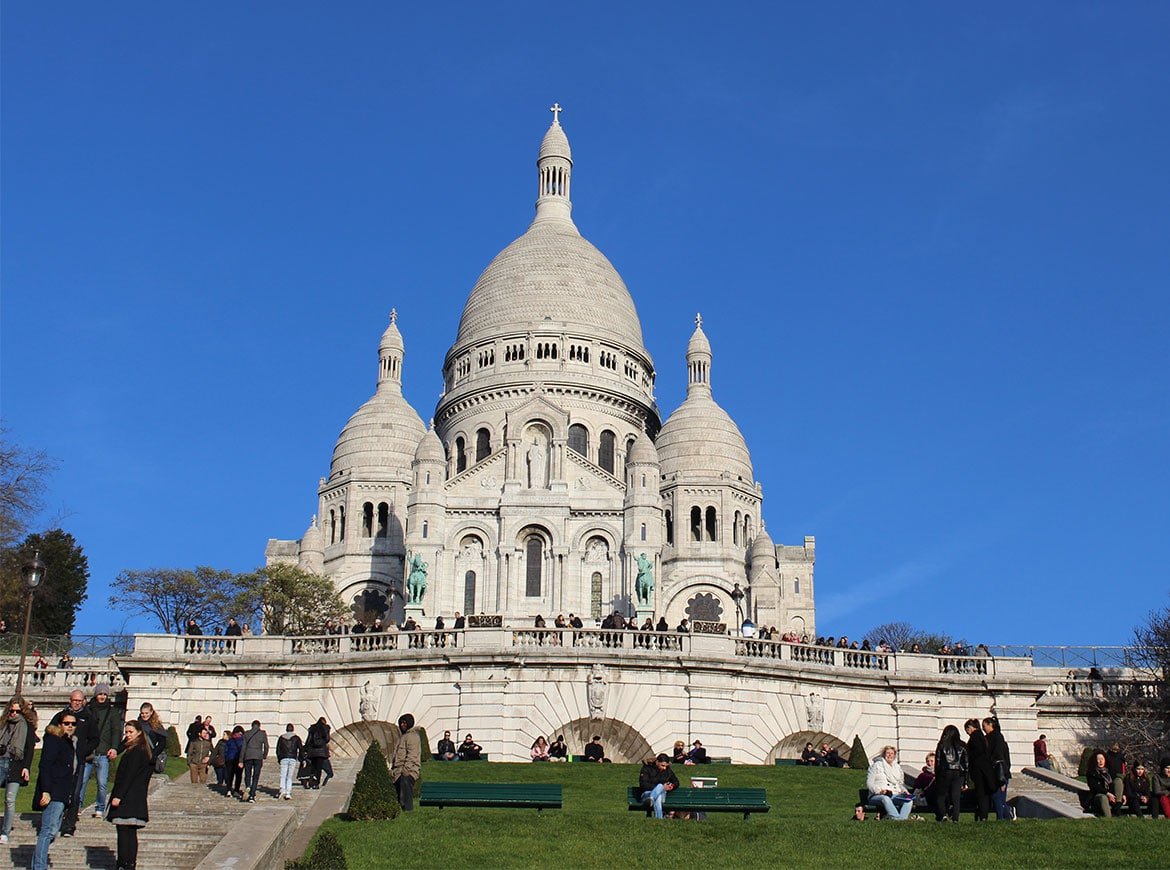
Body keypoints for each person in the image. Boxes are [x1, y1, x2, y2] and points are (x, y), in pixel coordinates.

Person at [33, 712, 82, 870]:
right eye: (66, 723)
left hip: (63, 793)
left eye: (73, 724)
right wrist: (46, 791)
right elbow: (45, 766)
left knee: (52, 831)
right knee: (47, 831)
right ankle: (39, 866)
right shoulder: (54, 740)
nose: (70, 726)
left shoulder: (68, 742)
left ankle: (38, 863)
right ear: (60, 724)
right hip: (53, 792)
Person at [49, 690, 95, 838]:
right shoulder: (59, 716)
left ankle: (69, 825)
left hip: (78, 760)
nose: (76, 703)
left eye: (79, 700)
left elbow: (95, 739)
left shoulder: (88, 718)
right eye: (74, 700)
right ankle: (54, 823)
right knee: (57, 791)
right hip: (61, 761)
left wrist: (82, 751)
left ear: (83, 701)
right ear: (70, 700)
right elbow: (49, 731)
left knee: (75, 793)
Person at [108, 719, 153, 870]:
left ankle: (125, 863)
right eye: (126, 732)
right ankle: (127, 863)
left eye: (130, 732)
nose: (127, 735)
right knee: (127, 831)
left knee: (124, 832)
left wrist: (118, 796)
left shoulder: (137, 751)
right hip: (134, 796)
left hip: (129, 797)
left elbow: (129, 775)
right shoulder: (138, 749)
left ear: (139, 733)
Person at [0, 697, 38, 846]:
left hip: (15, 763)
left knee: (10, 799)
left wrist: (26, 767)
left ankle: (5, 832)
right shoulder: (3, 724)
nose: (14, 714)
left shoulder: (26, 726)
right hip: (1, 760)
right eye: (12, 711)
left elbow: (29, 749)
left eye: (17, 711)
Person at [866, 745, 915, 820]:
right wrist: (880, 791)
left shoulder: (897, 768)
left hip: (894, 794)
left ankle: (901, 820)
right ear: (884, 754)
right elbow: (869, 783)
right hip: (878, 796)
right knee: (885, 798)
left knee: (908, 801)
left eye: (892, 753)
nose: (890, 755)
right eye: (888, 753)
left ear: (894, 755)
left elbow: (900, 784)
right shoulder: (876, 766)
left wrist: (904, 791)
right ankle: (895, 818)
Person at [933, 724, 968, 822]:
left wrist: (937, 775)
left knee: (941, 794)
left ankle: (943, 815)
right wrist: (965, 780)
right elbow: (966, 763)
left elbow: (938, 761)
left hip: (945, 771)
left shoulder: (942, 744)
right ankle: (955, 818)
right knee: (955, 796)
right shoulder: (962, 745)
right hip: (958, 772)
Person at [982, 717, 1012, 820]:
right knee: (999, 797)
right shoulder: (995, 738)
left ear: (991, 725)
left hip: (999, 772)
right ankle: (1007, 816)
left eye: (984, 726)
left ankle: (1002, 817)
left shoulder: (996, 737)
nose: (983, 728)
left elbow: (999, 756)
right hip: (999, 771)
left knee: (997, 797)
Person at [390, 713, 421, 812]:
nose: (402, 725)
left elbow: (412, 754)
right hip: (398, 770)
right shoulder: (404, 736)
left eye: (404, 723)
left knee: (405, 790)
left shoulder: (411, 736)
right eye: (401, 723)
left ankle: (408, 810)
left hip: (408, 771)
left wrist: (406, 770)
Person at [964, 718, 993, 821]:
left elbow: (976, 752)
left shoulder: (975, 737)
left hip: (979, 770)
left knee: (981, 793)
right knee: (983, 793)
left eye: (967, 730)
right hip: (983, 769)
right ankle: (983, 814)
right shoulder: (981, 736)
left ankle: (982, 814)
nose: (967, 733)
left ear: (970, 728)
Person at [638, 753, 680, 819]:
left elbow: (676, 782)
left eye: (666, 766)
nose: (664, 768)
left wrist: (671, 786)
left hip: (658, 796)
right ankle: (659, 819)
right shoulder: (647, 768)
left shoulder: (668, 770)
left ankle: (651, 800)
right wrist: (662, 787)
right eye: (662, 765)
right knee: (659, 792)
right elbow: (643, 785)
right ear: (657, 762)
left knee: (659, 791)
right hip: (646, 795)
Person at [241, 720, 269, 802]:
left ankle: (248, 786)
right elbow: (266, 746)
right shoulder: (262, 733)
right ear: (259, 726)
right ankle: (252, 794)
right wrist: (264, 755)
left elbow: (243, 747)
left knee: (247, 773)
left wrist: (241, 759)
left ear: (252, 725)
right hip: (258, 756)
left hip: (248, 756)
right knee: (256, 776)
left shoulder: (246, 734)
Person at [1086, 751, 1119, 817]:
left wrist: (1123, 794)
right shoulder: (1091, 772)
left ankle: (1118, 803)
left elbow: (1116, 784)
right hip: (1098, 795)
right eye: (1098, 759)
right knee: (1103, 797)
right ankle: (1108, 818)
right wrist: (1107, 793)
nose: (1100, 761)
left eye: (1102, 759)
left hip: (1112, 795)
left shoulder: (1110, 771)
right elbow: (1095, 787)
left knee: (1118, 780)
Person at [275, 724, 302, 800]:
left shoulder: (281, 738)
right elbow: (300, 748)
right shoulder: (296, 738)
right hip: (293, 758)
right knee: (289, 777)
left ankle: (282, 789)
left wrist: (279, 758)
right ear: (293, 729)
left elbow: (278, 749)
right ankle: (288, 793)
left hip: (284, 757)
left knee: (283, 775)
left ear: (286, 729)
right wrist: (301, 758)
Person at [305, 717, 331, 788]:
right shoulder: (326, 728)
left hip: (313, 751)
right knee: (319, 768)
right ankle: (316, 784)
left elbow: (309, 740)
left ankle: (311, 781)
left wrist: (305, 749)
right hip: (321, 752)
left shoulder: (312, 728)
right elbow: (327, 739)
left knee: (313, 767)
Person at [223, 726, 245, 798]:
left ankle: (228, 790)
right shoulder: (242, 740)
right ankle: (236, 790)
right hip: (238, 760)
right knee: (238, 776)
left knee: (230, 776)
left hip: (229, 759)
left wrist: (226, 758)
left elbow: (225, 750)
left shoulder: (230, 740)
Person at [1104, 742, 1127, 806]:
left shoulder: (1121, 756)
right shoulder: (1107, 755)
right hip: (1109, 776)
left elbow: (1123, 768)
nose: (1115, 747)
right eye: (1114, 745)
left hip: (1119, 777)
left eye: (1116, 745)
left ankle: (1118, 803)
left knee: (1119, 782)